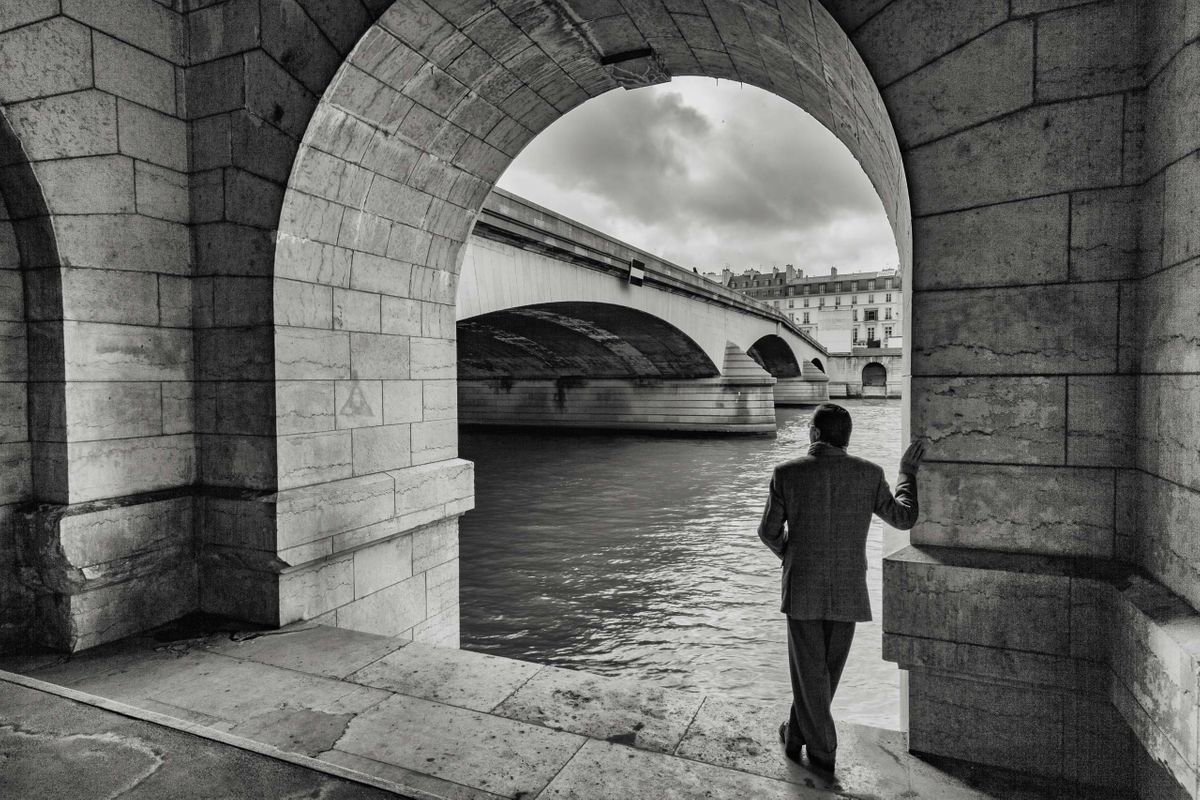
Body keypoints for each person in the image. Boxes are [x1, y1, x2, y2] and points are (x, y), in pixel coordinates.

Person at [758, 403, 924, 774]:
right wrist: (906, 473)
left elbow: (768, 531)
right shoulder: (869, 473)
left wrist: (791, 555)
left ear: (815, 434)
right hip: (849, 588)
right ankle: (795, 734)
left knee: (808, 672)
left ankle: (823, 752)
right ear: (846, 438)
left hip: (801, 587)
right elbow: (903, 517)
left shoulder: (786, 473)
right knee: (824, 674)